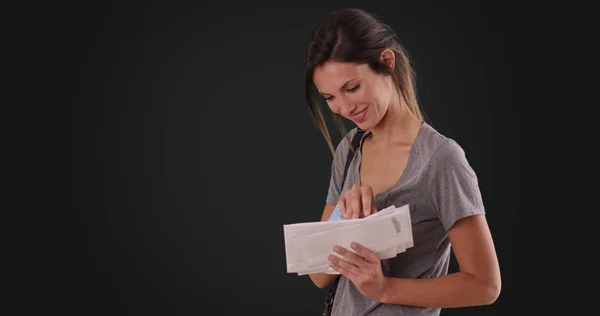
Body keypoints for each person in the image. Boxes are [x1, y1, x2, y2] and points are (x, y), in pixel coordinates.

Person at [303, 8, 501, 316]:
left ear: (386, 62)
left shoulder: (441, 160)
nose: (343, 107)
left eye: (352, 87)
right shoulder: (350, 149)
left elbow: (485, 285)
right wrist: (345, 218)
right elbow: (319, 275)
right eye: (329, 98)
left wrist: (383, 287)